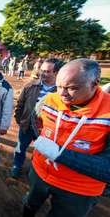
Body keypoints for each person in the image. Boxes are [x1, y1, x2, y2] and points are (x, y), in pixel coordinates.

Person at [23, 59, 110, 217]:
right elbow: (35, 119)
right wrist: (38, 136)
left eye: (71, 88)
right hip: (40, 173)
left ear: (95, 83)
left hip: (78, 189)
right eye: (59, 86)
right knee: (29, 205)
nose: (61, 94)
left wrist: (60, 154)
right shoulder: (50, 99)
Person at [11, 58, 62, 178]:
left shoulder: (61, 91)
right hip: (26, 126)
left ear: (56, 72)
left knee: (41, 152)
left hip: (46, 130)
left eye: (47, 71)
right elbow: (20, 104)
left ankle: (35, 169)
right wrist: (20, 120)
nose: (43, 73)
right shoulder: (30, 85)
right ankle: (16, 165)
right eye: (42, 70)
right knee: (20, 148)